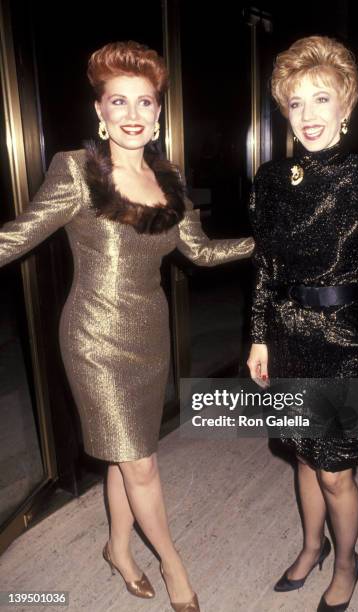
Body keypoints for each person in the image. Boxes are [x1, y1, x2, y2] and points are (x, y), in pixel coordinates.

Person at [0, 41, 254, 612]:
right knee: (142, 462)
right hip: (94, 338)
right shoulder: (75, 171)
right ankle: (174, 566)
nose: (133, 115)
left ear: (159, 113)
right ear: (100, 111)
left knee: (127, 451)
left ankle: (117, 548)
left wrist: (266, 245)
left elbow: (203, 253)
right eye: (120, 102)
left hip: (150, 334)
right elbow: (14, 238)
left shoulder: (171, 180)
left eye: (145, 102)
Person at [247, 35, 358, 611]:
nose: (308, 115)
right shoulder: (271, 180)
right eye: (296, 103)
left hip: (342, 343)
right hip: (287, 337)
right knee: (301, 452)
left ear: (346, 106)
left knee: (336, 470)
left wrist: (349, 312)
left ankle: (347, 562)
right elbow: (265, 267)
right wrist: (259, 337)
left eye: (321, 99)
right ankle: (311, 545)